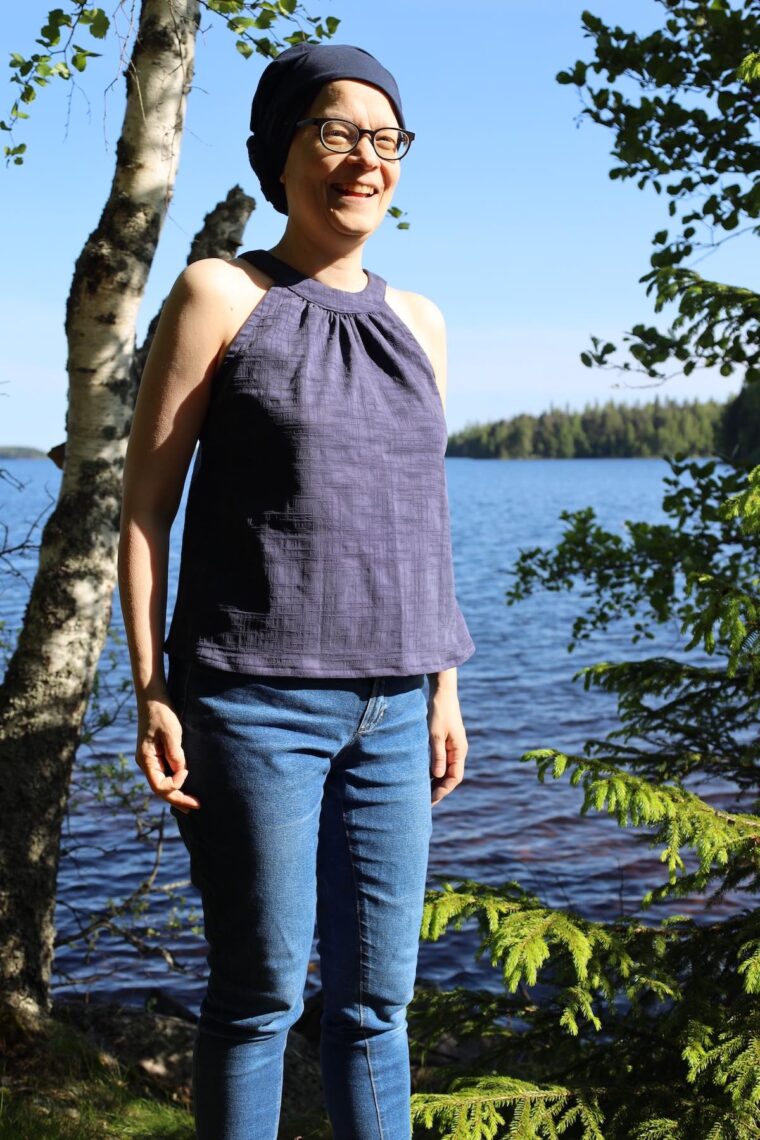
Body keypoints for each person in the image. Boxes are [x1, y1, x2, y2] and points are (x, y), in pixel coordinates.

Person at [118, 41, 475, 1140]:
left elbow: (420, 514)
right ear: (280, 153)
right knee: (260, 996)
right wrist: (149, 689)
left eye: (384, 138)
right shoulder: (219, 292)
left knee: (377, 1006)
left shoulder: (420, 321)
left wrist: (444, 687)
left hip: (396, 705)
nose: (363, 158)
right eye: (333, 131)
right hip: (252, 703)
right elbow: (143, 508)